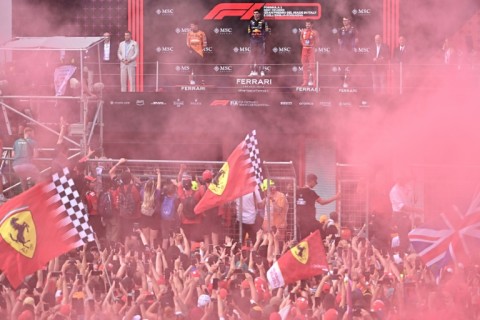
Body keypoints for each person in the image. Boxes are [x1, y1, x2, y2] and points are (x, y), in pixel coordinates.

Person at [296, 174, 340, 240]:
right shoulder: (311, 193)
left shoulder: (297, 191)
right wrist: (335, 197)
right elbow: (322, 202)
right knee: (323, 234)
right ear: (311, 181)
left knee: (304, 240)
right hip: (310, 221)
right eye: (315, 182)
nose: (316, 184)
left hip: (300, 222)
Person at [389, 171, 423, 255]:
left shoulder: (406, 187)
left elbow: (412, 199)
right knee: (403, 239)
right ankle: (402, 256)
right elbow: (402, 207)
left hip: (406, 216)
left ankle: (406, 254)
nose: (404, 181)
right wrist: (416, 210)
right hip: (399, 216)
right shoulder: (394, 191)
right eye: (402, 179)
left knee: (408, 238)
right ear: (397, 179)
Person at [12, 127, 40, 191]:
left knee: (23, 181)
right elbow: (36, 155)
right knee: (39, 178)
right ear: (29, 133)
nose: (34, 135)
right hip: (27, 164)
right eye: (33, 133)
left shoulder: (16, 142)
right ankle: (36, 194)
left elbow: (13, 155)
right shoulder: (33, 142)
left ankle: (25, 196)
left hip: (16, 166)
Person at [140, 169, 162, 248]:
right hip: (154, 216)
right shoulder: (156, 194)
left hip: (144, 216)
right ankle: (152, 257)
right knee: (153, 240)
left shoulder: (142, 192)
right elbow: (159, 185)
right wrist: (159, 174)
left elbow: (140, 185)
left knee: (146, 239)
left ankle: (146, 254)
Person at [247, 9, 270, 77]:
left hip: (261, 41)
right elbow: (249, 31)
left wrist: (262, 36)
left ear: (259, 14)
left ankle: (261, 71)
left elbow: (266, 31)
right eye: (254, 13)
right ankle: (253, 71)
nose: (255, 14)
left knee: (261, 56)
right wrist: (252, 36)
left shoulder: (263, 22)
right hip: (253, 41)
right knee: (253, 56)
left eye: (257, 13)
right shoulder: (251, 22)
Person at [337, 17, 358, 87]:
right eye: (343, 20)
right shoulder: (340, 30)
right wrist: (341, 49)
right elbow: (339, 40)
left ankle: (350, 82)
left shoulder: (353, 30)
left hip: (350, 51)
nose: (344, 22)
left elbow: (356, 40)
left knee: (350, 67)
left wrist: (353, 49)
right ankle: (343, 82)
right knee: (342, 67)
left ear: (349, 21)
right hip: (343, 52)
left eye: (345, 20)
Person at [299, 19, 319, 87]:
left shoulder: (315, 32)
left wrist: (313, 45)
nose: (307, 25)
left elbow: (318, 41)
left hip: (311, 50)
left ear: (312, 25)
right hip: (304, 50)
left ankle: (314, 82)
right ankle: (305, 81)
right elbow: (301, 38)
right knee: (304, 67)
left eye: (309, 24)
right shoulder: (303, 31)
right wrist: (303, 44)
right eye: (306, 24)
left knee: (312, 67)